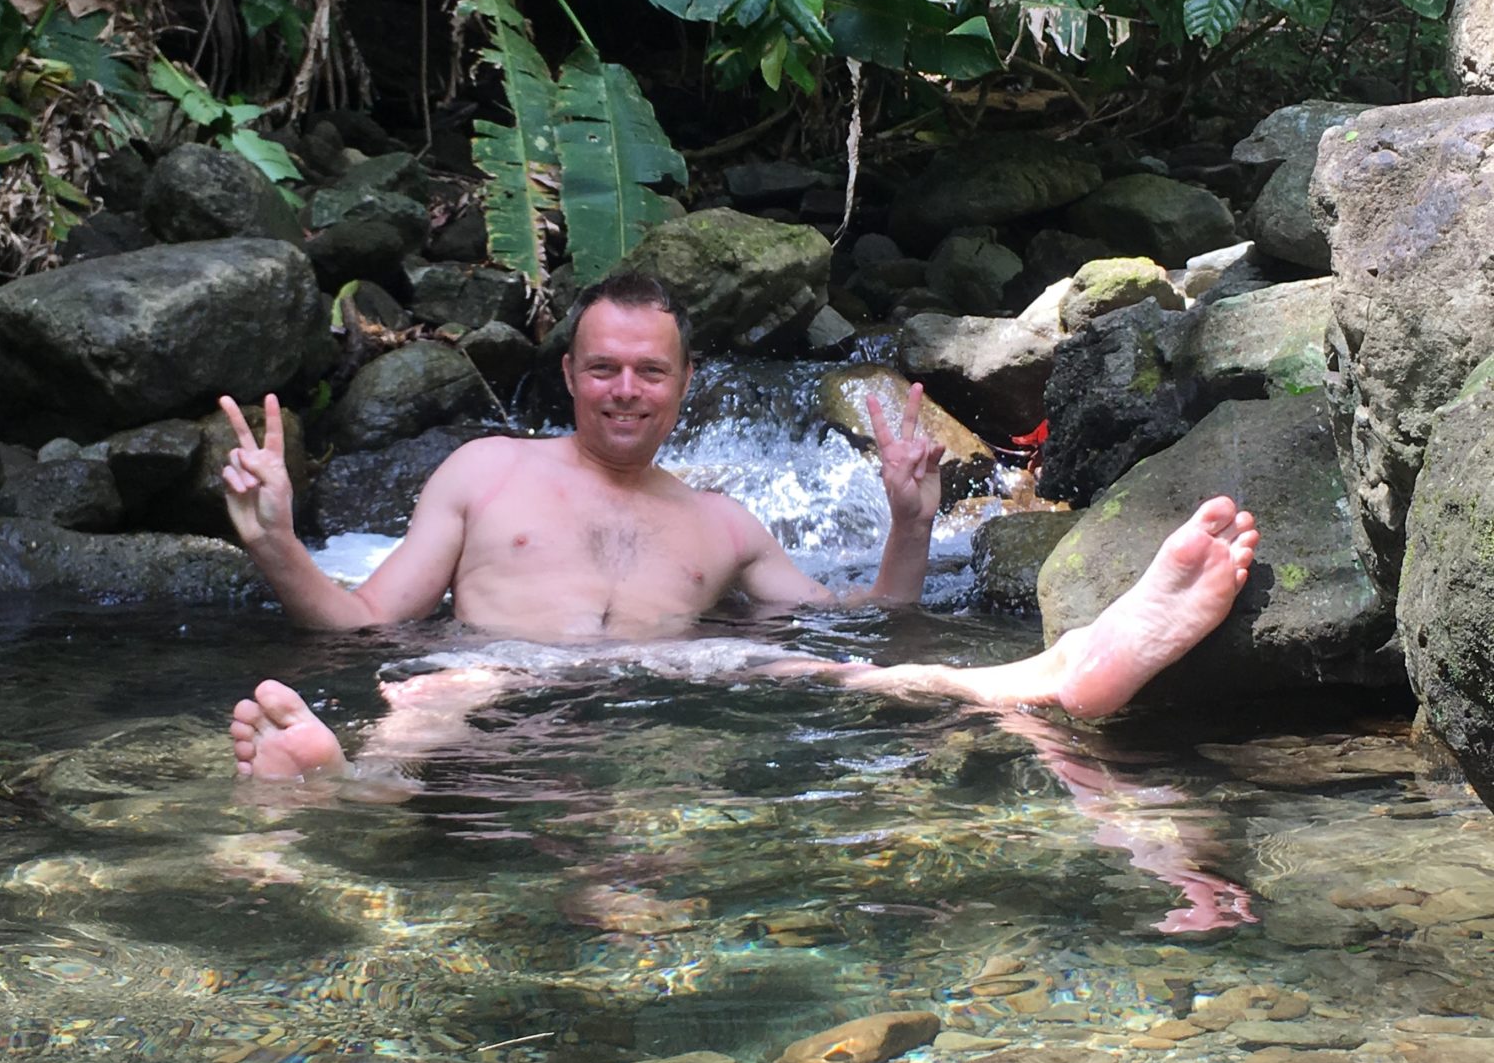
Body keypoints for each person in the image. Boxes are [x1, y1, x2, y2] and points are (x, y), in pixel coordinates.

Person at [220, 270, 1258, 782]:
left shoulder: (721, 523)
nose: (625, 390)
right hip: (496, 677)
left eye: (649, 371)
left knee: (827, 677)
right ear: (571, 375)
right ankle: (338, 790)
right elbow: (360, 625)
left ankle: (1061, 671)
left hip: (673, 686)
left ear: (683, 387)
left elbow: (867, 621)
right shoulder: (483, 472)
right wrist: (274, 540)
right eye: (603, 368)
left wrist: (908, 519)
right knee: (424, 704)